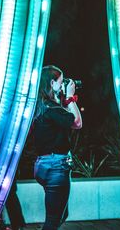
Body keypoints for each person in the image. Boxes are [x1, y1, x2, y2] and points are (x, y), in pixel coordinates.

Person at [32, 65, 82, 230]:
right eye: (61, 82)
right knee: (53, 221)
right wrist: (70, 96)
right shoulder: (52, 109)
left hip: (43, 165)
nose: (63, 85)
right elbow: (77, 123)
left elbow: (65, 118)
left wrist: (64, 99)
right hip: (56, 167)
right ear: (52, 83)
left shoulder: (42, 106)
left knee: (62, 214)